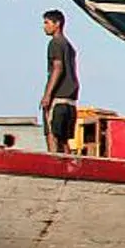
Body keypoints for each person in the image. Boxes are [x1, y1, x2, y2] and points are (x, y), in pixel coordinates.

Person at [41, 8, 79, 153]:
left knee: (52, 135)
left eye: (47, 23)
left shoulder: (55, 43)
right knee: (64, 140)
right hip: (70, 100)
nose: (45, 26)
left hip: (58, 98)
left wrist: (47, 95)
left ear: (57, 24)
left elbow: (58, 68)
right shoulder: (69, 46)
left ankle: (53, 167)